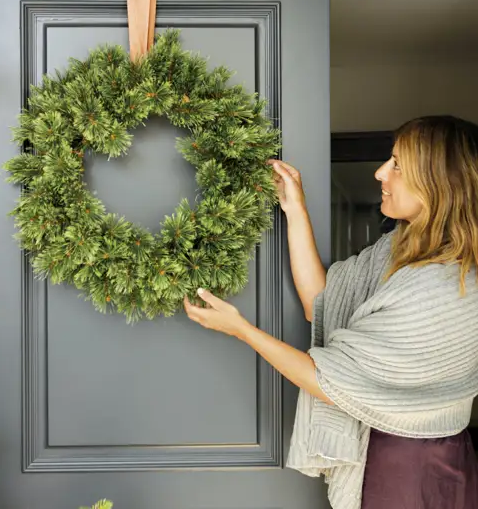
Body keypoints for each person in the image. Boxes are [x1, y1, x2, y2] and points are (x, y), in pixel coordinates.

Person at [183, 115, 478, 509]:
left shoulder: (448, 290)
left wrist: (241, 329)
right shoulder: (398, 250)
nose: (380, 173)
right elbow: (319, 302)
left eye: (396, 165)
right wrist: (294, 208)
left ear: (437, 184)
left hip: (414, 467)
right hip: (394, 453)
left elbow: (327, 381)